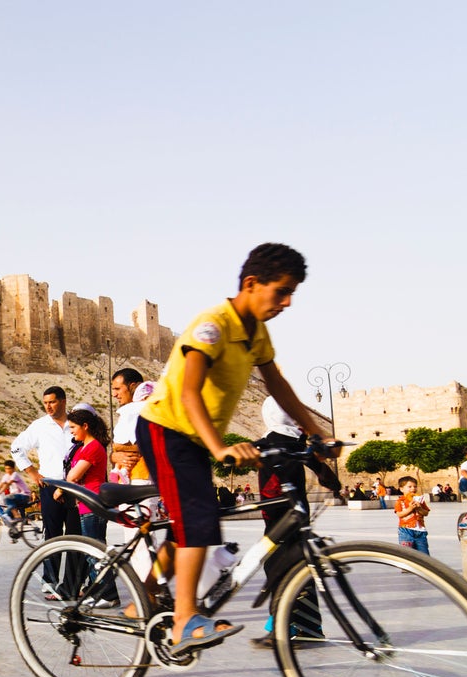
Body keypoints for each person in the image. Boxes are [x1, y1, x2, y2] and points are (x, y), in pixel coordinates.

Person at [136, 243, 330, 654]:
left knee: (195, 521)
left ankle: (145, 594)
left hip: (192, 438)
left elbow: (276, 384)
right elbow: (189, 393)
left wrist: (316, 431)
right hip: (165, 428)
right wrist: (221, 447)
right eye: (282, 291)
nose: (288, 302)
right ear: (251, 283)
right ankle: (185, 621)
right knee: (199, 519)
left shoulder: (256, 331)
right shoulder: (213, 324)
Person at [250, 397, 340, 649]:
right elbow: (325, 475)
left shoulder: (267, 442)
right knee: (301, 565)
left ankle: (280, 626)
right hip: (298, 513)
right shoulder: (298, 442)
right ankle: (310, 627)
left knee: (276, 566)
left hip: (276, 517)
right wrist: (332, 483)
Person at [11, 386, 75, 599]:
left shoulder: (75, 423)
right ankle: (51, 581)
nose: (48, 406)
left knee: (75, 536)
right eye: (45, 402)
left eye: (52, 402)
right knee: (52, 535)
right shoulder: (39, 426)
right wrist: (32, 472)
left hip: (74, 486)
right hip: (50, 486)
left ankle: (72, 584)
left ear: (63, 401)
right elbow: (16, 447)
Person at [65, 408, 114, 605]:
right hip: (85, 504)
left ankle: (107, 595)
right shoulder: (85, 447)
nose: (71, 432)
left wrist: (70, 478)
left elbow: (73, 476)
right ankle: (100, 593)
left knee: (95, 551)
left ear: (85, 426)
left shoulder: (93, 447)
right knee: (92, 551)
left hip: (92, 503)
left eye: (74, 427)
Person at [394, 476, 431, 554]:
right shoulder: (400, 501)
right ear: (401, 489)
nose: (413, 489)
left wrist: (419, 508)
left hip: (420, 531)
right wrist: (410, 509)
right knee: (407, 554)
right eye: (409, 487)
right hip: (405, 530)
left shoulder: (420, 500)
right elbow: (399, 514)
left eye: (415, 486)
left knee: (424, 554)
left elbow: (426, 513)